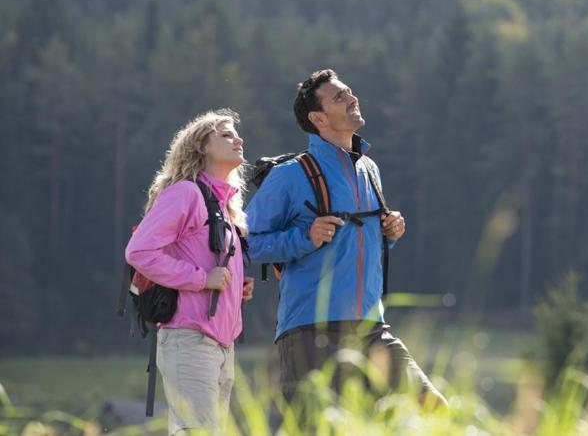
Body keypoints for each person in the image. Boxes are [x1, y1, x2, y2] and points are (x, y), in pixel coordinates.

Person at [245, 69, 445, 409]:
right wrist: (304, 237)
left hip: (371, 328)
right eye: (339, 97)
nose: (352, 98)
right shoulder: (290, 175)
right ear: (318, 118)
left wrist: (388, 233)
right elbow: (245, 242)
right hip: (310, 330)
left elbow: (359, 241)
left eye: (349, 91)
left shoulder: (369, 169)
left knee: (434, 410)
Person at [125, 109, 254, 435]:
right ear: (201, 147)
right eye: (226, 135)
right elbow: (139, 251)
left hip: (221, 346)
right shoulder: (186, 194)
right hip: (190, 339)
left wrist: (236, 287)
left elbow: (208, 264)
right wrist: (200, 279)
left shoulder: (224, 207)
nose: (238, 139)